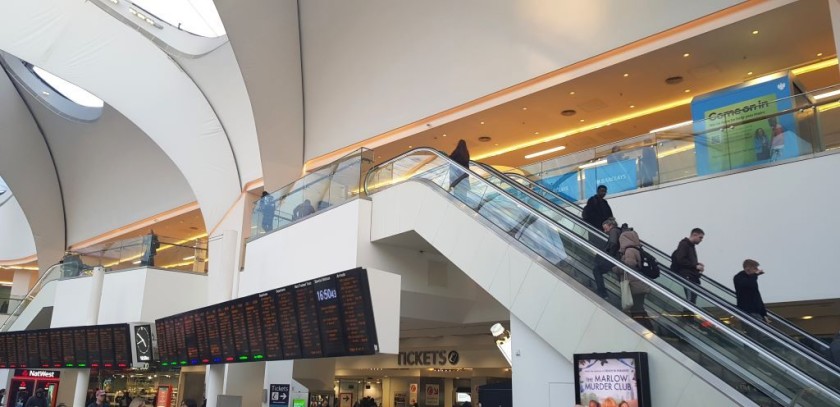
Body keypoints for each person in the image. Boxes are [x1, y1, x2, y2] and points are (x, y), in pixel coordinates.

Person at [614, 227, 653, 330]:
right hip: (639, 284)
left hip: (635, 285)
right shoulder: (636, 249)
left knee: (637, 310)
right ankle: (648, 328)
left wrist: (616, 268)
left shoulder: (629, 251)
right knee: (639, 308)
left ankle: (646, 329)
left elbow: (629, 264)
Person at [671, 228, 705, 305]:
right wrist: (695, 266)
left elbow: (684, 259)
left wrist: (697, 264)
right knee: (690, 301)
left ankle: (688, 315)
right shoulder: (684, 244)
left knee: (692, 299)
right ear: (694, 235)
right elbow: (680, 259)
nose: (701, 240)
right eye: (700, 237)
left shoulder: (690, 245)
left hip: (690, 276)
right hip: (687, 276)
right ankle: (687, 316)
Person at [593, 218, 622, 298]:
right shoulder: (619, 231)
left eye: (606, 228)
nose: (605, 231)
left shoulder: (613, 231)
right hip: (618, 259)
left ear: (611, 225)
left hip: (614, 259)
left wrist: (608, 256)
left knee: (597, 270)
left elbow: (613, 244)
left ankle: (602, 292)